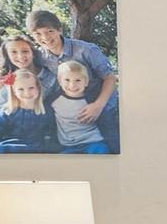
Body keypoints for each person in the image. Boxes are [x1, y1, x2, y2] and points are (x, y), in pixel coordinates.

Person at [28, 9, 119, 151]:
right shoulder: (40, 56)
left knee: (110, 143)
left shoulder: (86, 50)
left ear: (59, 30)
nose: (44, 37)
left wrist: (98, 105)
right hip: (71, 103)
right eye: (38, 34)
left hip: (99, 99)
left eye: (49, 31)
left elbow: (110, 78)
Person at [0, 71, 59, 154]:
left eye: (31, 88)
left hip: (36, 149)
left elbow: (53, 134)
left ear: (38, 88)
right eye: (21, 89)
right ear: (14, 92)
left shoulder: (46, 111)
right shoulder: (7, 111)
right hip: (10, 148)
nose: (27, 93)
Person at [48, 60, 110, 154]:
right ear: (60, 81)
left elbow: (105, 121)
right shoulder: (53, 100)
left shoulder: (92, 100)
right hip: (68, 145)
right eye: (67, 80)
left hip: (93, 142)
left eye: (78, 80)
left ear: (86, 82)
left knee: (100, 153)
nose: (72, 85)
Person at [0, 32, 51, 120]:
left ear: (32, 53)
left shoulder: (49, 76)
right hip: (17, 125)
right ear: (8, 56)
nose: (20, 56)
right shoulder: (10, 79)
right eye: (13, 52)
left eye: (25, 51)